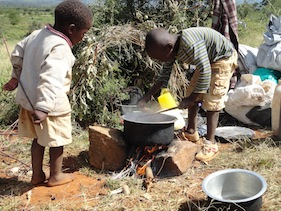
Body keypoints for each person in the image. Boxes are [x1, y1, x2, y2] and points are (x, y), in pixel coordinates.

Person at [2, 0, 93, 186]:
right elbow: (51, 78)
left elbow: (17, 53)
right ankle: (55, 176)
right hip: (50, 105)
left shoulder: (37, 34)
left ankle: (37, 175)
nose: (83, 38)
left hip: (29, 100)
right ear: (71, 29)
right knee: (57, 140)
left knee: (38, 139)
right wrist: (44, 107)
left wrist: (15, 77)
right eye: (83, 33)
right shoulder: (60, 47)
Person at [138, 27, 238, 163]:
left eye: (159, 58)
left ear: (168, 48)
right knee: (191, 92)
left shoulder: (190, 44)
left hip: (222, 58)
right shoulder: (171, 49)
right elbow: (164, 76)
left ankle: (210, 143)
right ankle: (191, 131)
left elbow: (206, 71)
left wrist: (192, 99)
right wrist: (148, 95)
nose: (161, 61)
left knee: (212, 100)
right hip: (207, 62)